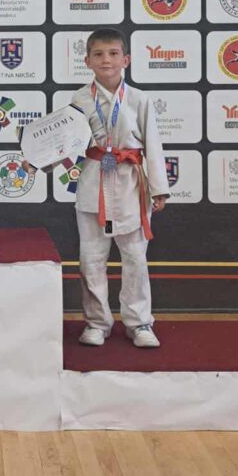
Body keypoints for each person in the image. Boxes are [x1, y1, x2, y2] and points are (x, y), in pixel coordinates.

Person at [69, 28, 169, 347]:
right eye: (98, 54)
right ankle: (97, 322)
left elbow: (153, 144)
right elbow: (67, 142)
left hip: (131, 185)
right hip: (94, 184)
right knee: (91, 259)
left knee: (135, 257)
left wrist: (158, 188)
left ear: (126, 59)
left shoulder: (139, 99)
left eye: (113, 54)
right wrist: (38, 160)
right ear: (87, 61)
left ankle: (139, 323)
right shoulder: (80, 99)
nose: (106, 60)